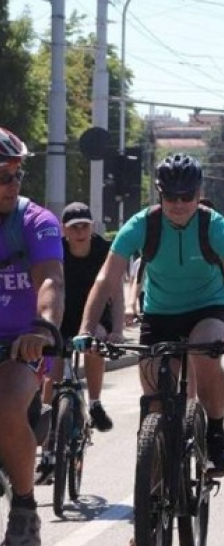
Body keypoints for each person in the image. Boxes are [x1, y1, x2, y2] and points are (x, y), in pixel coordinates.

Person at [79, 154, 224, 478]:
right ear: (159, 194)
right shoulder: (142, 225)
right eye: (170, 196)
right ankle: (152, 506)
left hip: (207, 309)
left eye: (186, 196)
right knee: (155, 401)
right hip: (159, 314)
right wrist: (86, 330)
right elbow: (107, 277)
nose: (178, 204)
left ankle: (215, 433)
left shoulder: (214, 226)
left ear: (198, 193)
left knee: (205, 353)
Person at [0, 127, 64, 546]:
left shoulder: (36, 220)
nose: (12, 184)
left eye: (17, 174)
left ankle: (24, 508)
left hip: (22, 344)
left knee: (6, 400)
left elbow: (51, 282)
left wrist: (42, 327)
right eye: (3, 175)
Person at [35, 203, 124, 485]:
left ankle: (95, 403)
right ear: (64, 230)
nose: (81, 231)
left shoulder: (102, 250)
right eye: (74, 227)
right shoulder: (56, 250)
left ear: (92, 226)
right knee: (52, 373)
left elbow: (117, 293)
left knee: (93, 342)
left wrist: (119, 329)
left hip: (94, 314)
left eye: (85, 225)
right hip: (62, 315)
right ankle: (48, 452)